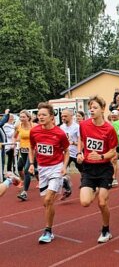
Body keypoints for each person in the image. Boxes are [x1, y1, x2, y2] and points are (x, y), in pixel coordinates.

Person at [77, 96, 118, 243]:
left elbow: (113, 152)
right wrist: (80, 153)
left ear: (102, 109)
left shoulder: (109, 129)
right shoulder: (84, 125)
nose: (91, 110)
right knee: (85, 202)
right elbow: (81, 140)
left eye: (95, 108)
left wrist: (101, 157)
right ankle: (94, 189)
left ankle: (106, 230)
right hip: (88, 168)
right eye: (90, 108)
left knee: (102, 203)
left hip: (104, 169)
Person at [28, 102, 70, 243]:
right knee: (47, 203)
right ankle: (50, 230)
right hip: (42, 169)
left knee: (48, 199)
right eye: (39, 115)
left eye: (44, 115)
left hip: (56, 168)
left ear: (51, 117)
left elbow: (67, 151)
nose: (40, 117)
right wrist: (32, 164)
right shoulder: (34, 131)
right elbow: (32, 147)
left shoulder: (59, 133)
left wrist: (64, 166)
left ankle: (47, 230)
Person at [60, 108, 82, 200]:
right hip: (66, 153)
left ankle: (88, 185)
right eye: (62, 116)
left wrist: (74, 144)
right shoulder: (61, 127)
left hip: (76, 153)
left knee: (83, 172)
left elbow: (81, 141)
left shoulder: (77, 127)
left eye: (65, 116)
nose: (63, 118)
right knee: (61, 172)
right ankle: (67, 188)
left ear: (71, 116)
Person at [14, 110, 35, 201]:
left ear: (28, 117)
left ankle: (24, 192)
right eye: (20, 117)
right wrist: (14, 145)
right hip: (23, 150)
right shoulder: (19, 126)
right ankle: (37, 172)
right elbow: (15, 136)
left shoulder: (34, 126)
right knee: (26, 168)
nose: (21, 118)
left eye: (23, 117)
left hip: (33, 151)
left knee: (26, 169)